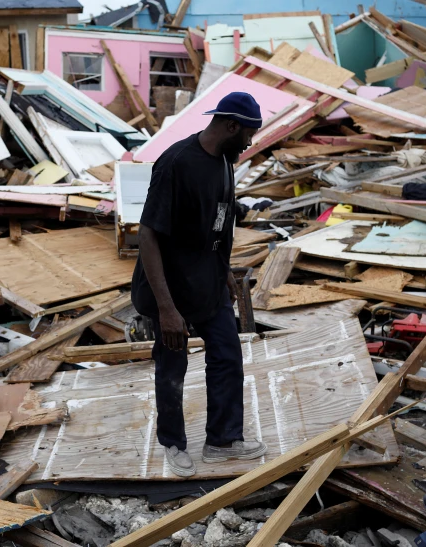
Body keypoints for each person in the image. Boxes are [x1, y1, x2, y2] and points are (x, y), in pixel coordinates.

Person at [131, 92, 268, 478]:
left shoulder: (225, 162)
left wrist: (223, 269)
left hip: (208, 281)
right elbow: (148, 235)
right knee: (172, 366)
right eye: (248, 134)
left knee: (227, 355)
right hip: (171, 289)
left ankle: (222, 440)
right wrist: (167, 309)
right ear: (230, 125)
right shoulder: (176, 163)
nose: (249, 142)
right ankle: (173, 443)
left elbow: (221, 221)